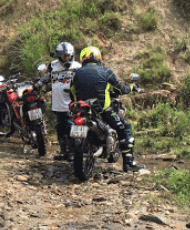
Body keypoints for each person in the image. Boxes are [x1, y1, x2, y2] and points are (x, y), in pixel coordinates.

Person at [70, 45, 144, 173]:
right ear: (98, 57)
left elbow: (71, 92)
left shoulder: (76, 73)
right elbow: (120, 89)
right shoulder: (105, 71)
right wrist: (131, 87)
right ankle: (129, 163)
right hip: (103, 111)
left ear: (83, 58)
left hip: (82, 110)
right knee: (125, 128)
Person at [45, 42, 80, 161]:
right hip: (56, 105)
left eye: (68, 56)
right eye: (64, 56)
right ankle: (64, 152)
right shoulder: (53, 65)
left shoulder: (77, 67)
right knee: (60, 131)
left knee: (72, 131)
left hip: (71, 105)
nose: (67, 58)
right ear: (59, 56)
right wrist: (38, 84)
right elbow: (46, 77)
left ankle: (74, 154)